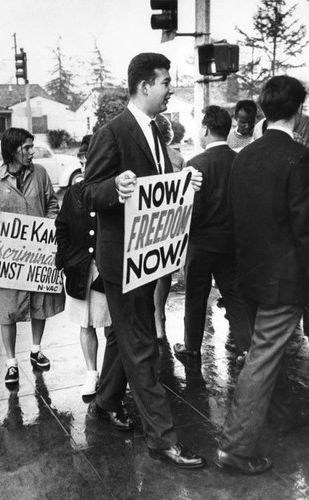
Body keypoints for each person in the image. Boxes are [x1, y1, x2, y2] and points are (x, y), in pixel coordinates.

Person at [82, 52, 206, 470]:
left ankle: (104, 399)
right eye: (166, 81)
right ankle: (162, 440)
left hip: (146, 259)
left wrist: (185, 185)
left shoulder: (157, 133)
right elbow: (87, 192)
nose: (171, 87)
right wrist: (114, 187)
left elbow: (157, 193)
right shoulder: (112, 133)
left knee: (124, 338)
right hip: (122, 262)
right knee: (142, 348)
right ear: (145, 86)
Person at [215, 76, 309, 474]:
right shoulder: (300, 159)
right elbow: (304, 229)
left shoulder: (244, 157)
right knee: (263, 358)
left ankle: (284, 412)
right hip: (284, 281)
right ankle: (236, 448)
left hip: (249, 277)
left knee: (263, 353)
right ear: (299, 110)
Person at [0, 127, 64, 386]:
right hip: (8, 258)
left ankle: (36, 350)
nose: (31, 152)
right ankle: (11, 363)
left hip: (38, 255)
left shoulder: (40, 173)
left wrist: (48, 226)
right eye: (26, 147)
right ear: (12, 150)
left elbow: (51, 203)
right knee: (7, 310)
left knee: (40, 304)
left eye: (32, 146)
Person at [173, 106, 252, 369]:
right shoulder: (239, 160)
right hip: (230, 243)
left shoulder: (196, 164)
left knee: (196, 296)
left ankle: (191, 347)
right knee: (233, 295)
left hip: (201, 244)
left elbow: (192, 210)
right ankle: (246, 347)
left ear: (205, 129)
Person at [55, 135, 112, 397]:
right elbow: (62, 227)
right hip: (80, 270)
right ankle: (92, 373)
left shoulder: (112, 191)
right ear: (81, 160)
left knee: (112, 325)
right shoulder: (74, 194)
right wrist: (67, 260)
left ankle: (112, 378)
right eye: (88, 159)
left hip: (107, 270)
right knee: (85, 324)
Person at [153, 113, 186, 339]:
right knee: (163, 272)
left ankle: (155, 319)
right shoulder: (178, 158)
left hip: (149, 220)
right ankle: (159, 317)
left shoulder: (145, 155)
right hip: (171, 221)